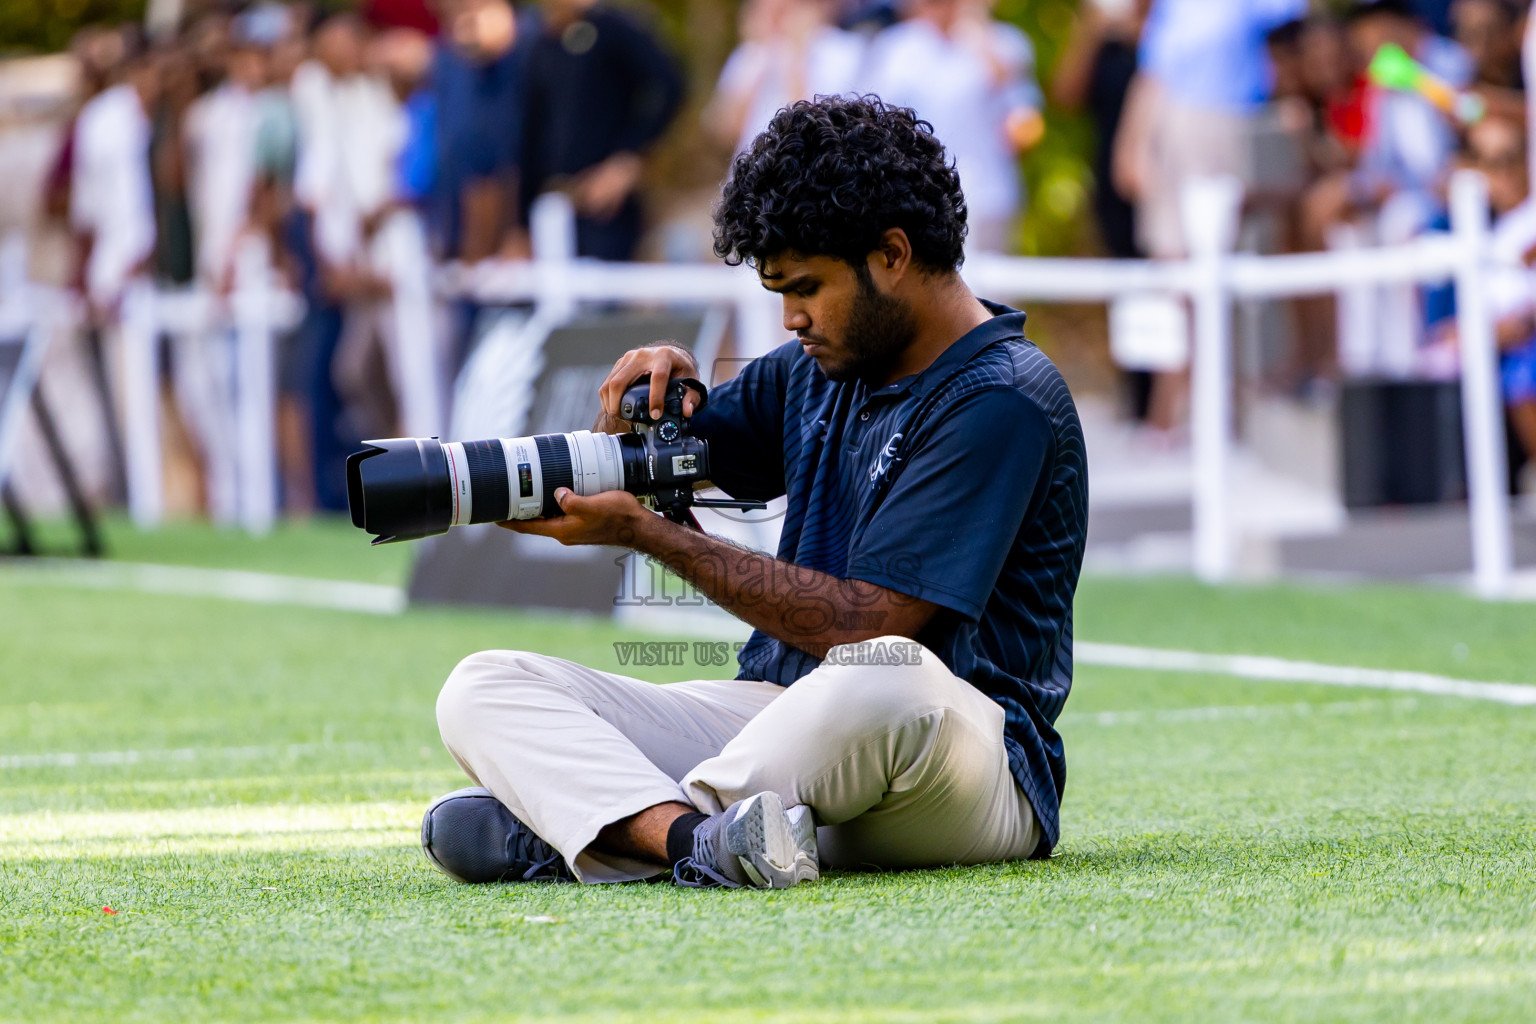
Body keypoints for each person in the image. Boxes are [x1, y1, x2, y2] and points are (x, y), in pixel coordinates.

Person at [423, 96, 1087, 889]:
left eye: (805, 286)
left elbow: (864, 626)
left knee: (887, 672)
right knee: (485, 685)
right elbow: (665, 457)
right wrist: (651, 402)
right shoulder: (819, 365)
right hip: (779, 718)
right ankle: (697, 839)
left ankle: (616, 823)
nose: (790, 317)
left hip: (955, 762)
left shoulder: (1001, 397)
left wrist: (649, 536)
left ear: (893, 254)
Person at [861, 0, 1044, 254]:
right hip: (911, 196)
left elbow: (1025, 125)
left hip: (988, 197)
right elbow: (873, 122)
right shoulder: (895, 47)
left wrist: (981, 39)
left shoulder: (1006, 42)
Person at [519, 0, 683, 261]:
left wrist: (627, 158)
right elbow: (530, 133)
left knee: (602, 295)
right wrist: (520, 224)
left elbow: (668, 85)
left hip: (603, 208)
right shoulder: (536, 42)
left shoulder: (612, 28)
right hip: (550, 206)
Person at [705, 0, 865, 155]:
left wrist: (796, 54)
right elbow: (723, 133)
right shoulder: (750, 52)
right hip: (751, 173)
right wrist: (757, 60)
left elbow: (818, 129)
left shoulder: (840, 51)